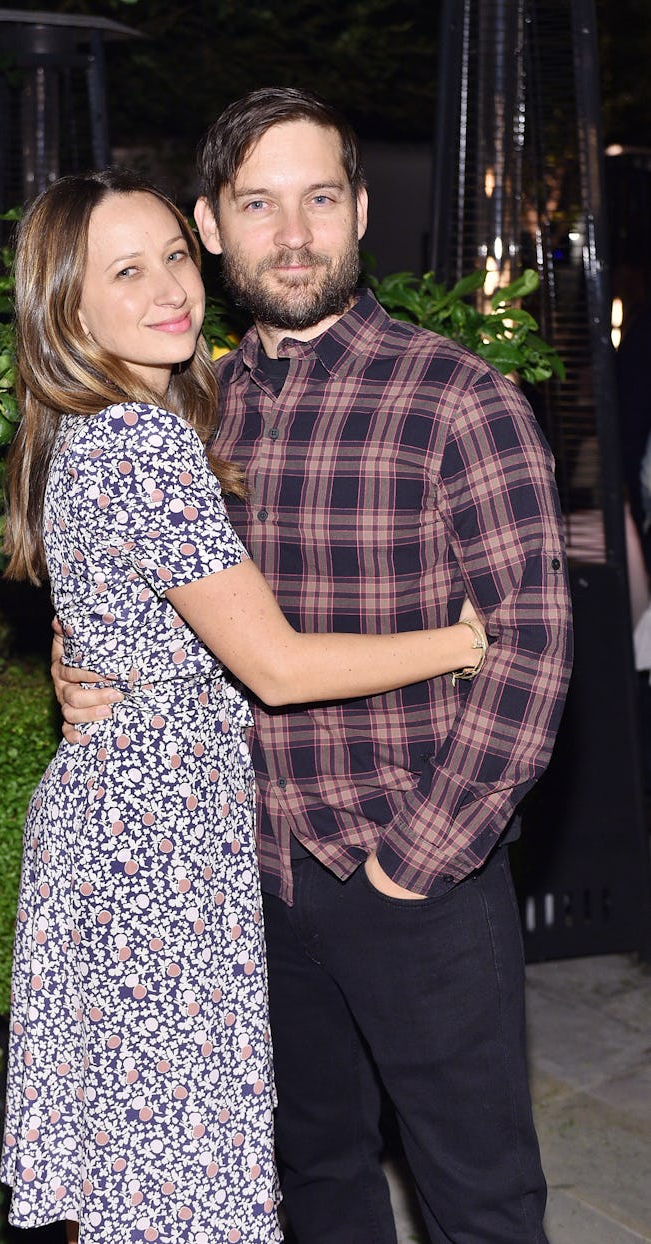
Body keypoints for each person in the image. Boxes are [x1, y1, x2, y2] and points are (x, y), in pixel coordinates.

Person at [55, 91, 574, 1244]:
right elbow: (147, 588)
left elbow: (532, 649)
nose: (292, 233)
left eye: (320, 199)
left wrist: (416, 860)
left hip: (413, 869)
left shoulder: (458, 399)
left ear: (361, 213)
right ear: (213, 225)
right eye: (258, 203)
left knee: (478, 1196)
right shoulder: (194, 401)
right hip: (239, 877)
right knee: (317, 1180)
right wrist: (80, 658)